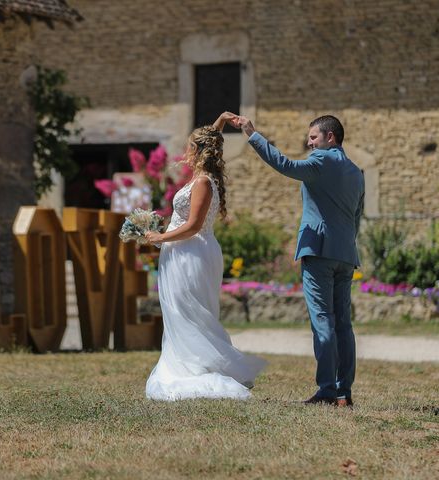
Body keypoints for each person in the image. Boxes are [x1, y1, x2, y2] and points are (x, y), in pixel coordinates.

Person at [236, 113, 364, 408]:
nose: (309, 143)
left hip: (319, 252)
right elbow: (357, 216)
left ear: (330, 137)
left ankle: (327, 391)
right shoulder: (357, 172)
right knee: (344, 324)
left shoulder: (322, 160)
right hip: (346, 255)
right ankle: (344, 392)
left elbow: (286, 166)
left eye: (313, 137)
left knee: (323, 320)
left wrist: (252, 134)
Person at [143, 112, 267, 401]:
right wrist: (220, 122)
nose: (185, 152)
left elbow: (193, 226)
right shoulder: (201, 178)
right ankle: (190, 361)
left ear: (197, 151)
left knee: (189, 312)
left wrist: (160, 237)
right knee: (183, 312)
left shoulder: (202, 183)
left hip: (190, 254)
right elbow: (210, 139)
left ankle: (196, 369)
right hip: (184, 253)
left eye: (190, 147)